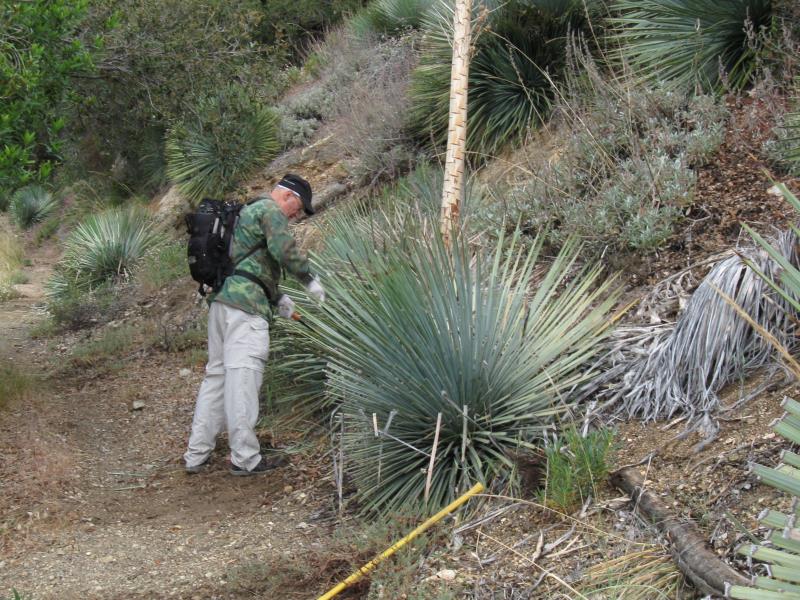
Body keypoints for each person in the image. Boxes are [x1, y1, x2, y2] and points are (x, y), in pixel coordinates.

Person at [183, 174, 325, 476]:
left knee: (216, 377)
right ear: (287, 196)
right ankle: (245, 458)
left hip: (222, 304)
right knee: (243, 378)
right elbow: (283, 250)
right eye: (298, 208)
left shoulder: (245, 213)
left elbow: (247, 265)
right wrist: (309, 280)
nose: (296, 216)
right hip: (245, 311)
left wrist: (277, 297)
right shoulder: (270, 210)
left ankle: (196, 454)